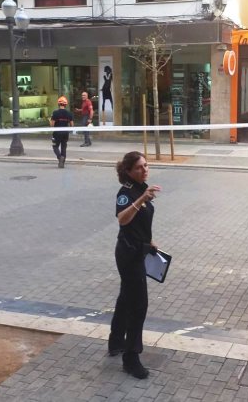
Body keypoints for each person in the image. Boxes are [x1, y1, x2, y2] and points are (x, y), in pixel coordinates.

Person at [109, 151, 161, 379]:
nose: (144, 170)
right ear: (128, 171)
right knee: (138, 305)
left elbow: (139, 224)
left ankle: (116, 342)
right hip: (128, 254)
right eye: (139, 167)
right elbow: (122, 219)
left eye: (146, 165)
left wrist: (149, 242)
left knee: (125, 298)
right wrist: (141, 201)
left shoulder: (142, 188)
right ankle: (131, 358)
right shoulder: (127, 192)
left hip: (139, 249)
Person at [50, 96, 73, 168]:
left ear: (58, 104)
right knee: (63, 147)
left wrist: (50, 122)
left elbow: (52, 125)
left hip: (57, 133)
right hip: (65, 133)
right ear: (65, 104)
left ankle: (60, 157)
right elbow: (72, 124)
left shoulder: (55, 113)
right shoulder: (69, 113)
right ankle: (62, 162)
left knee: (55, 146)